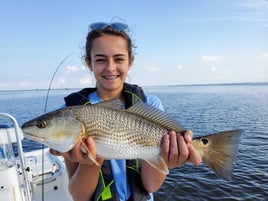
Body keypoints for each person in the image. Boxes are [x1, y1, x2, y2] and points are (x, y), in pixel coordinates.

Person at [51, 22, 202, 201]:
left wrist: (168, 158)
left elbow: (151, 186)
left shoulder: (150, 104)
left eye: (119, 59)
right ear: (88, 62)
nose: (110, 67)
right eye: (100, 59)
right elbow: (80, 196)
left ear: (130, 61)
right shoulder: (70, 112)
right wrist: (90, 159)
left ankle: (205, 148)